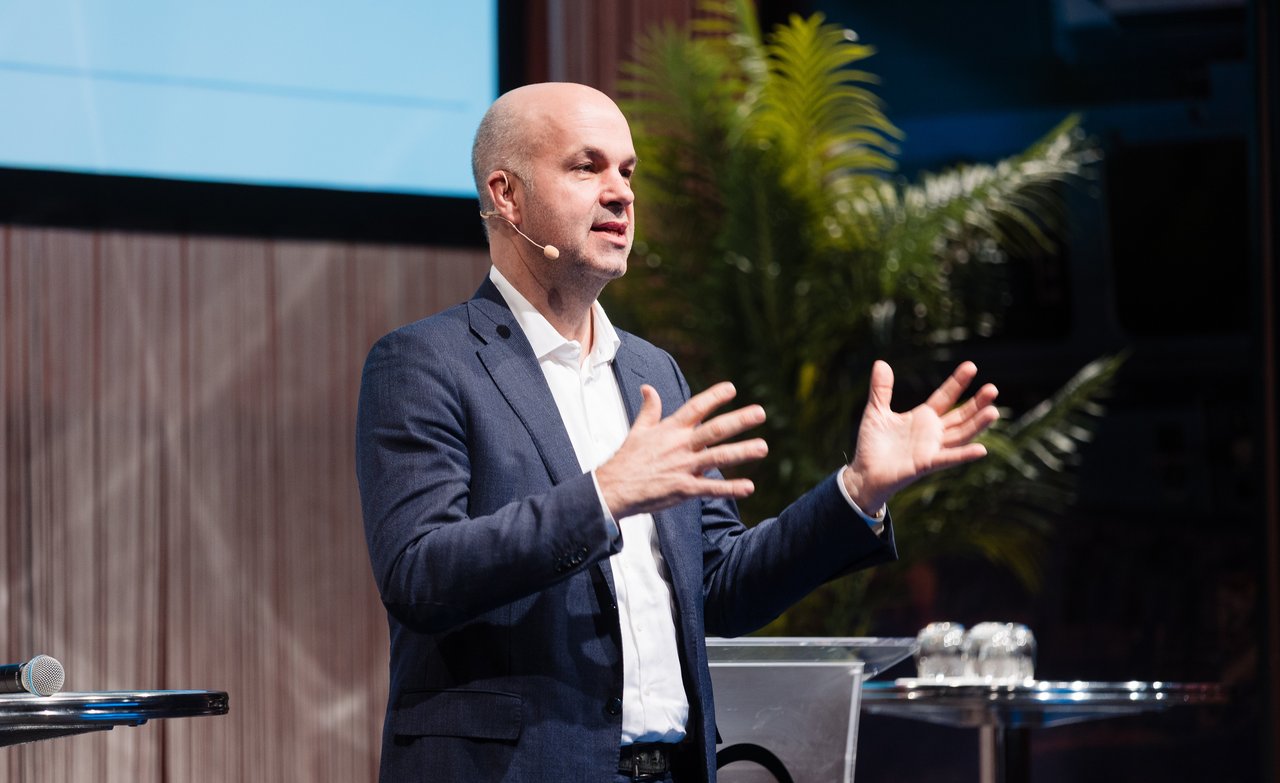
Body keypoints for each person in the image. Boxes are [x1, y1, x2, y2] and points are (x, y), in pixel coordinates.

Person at [356, 82, 999, 783]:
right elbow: (419, 575)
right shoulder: (426, 362)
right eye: (587, 167)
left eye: (627, 171)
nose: (621, 193)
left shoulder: (650, 371)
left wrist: (857, 491)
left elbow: (720, 583)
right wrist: (604, 495)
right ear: (506, 195)